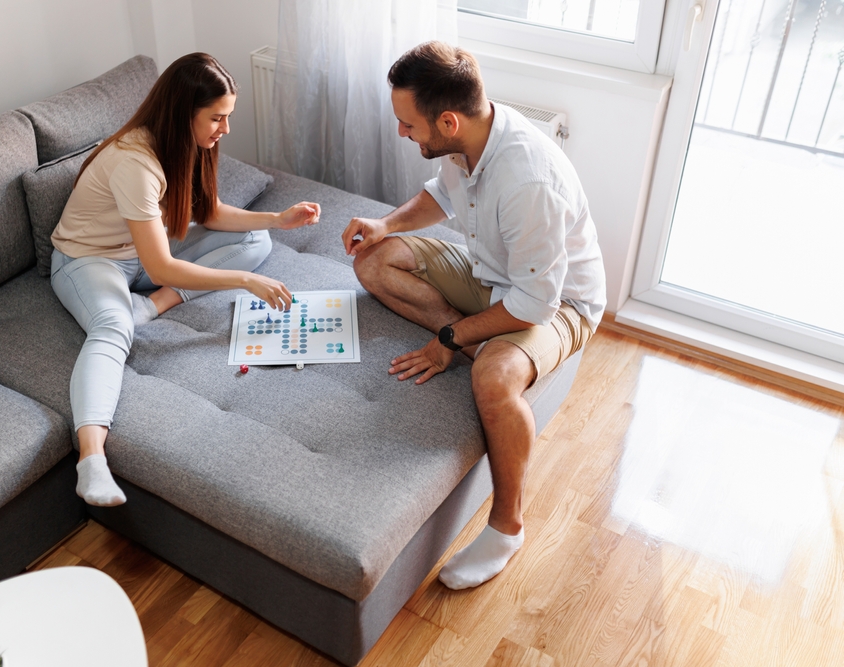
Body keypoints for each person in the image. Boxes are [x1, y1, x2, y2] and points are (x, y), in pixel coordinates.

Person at [341, 42, 606, 590]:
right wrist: (387, 225)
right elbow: (440, 197)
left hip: (561, 304)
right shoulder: (468, 140)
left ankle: (507, 527)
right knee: (373, 261)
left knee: (493, 377)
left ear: (447, 120)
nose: (401, 133)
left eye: (407, 124)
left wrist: (447, 337)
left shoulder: (529, 180)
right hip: (492, 275)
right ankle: (478, 342)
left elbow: (536, 303)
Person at [51, 53, 320, 507]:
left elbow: (206, 211)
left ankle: (149, 306)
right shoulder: (134, 163)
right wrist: (242, 281)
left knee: (258, 239)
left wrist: (278, 218)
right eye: (217, 118)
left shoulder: (178, 146)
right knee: (112, 329)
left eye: (227, 116)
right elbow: (160, 268)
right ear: (184, 113)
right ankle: (91, 460)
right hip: (89, 262)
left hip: (139, 253)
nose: (225, 129)